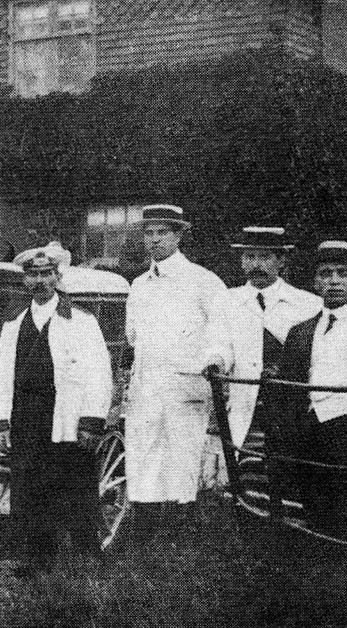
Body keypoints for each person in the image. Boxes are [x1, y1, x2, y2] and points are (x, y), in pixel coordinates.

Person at [0, 245, 113, 556]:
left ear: (58, 277)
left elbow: (99, 375)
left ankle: (87, 556)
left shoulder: (82, 322)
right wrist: (2, 423)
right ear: (25, 281)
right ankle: (36, 561)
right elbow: (2, 378)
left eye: (47, 274)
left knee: (75, 489)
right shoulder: (13, 325)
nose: (40, 281)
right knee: (28, 491)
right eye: (33, 275)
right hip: (27, 420)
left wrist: (90, 423)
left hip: (67, 420)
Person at [124, 203, 227, 528]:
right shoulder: (139, 285)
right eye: (149, 233)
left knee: (182, 455)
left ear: (179, 235)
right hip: (147, 387)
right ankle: (144, 524)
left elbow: (221, 336)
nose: (154, 240)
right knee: (144, 452)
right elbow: (132, 337)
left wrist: (215, 360)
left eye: (162, 233)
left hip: (184, 388)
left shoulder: (203, 282)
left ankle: (179, 527)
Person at [208, 226, 320, 455]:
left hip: (290, 406)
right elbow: (219, 344)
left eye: (264, 257)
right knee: (246, 469)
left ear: (281, 261)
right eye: (250, 256)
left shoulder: (307, 304)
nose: (256, 264)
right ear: (241, 261)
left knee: (288, 468)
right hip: (247, 402)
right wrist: (216, 361)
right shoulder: (226, 301)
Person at [266, 240, 347, 535]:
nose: (335, 281)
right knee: (315, 504)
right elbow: (290, 387)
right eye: (327, 274)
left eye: (344, 273)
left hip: (346, 428)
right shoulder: (301, 330)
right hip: (310, 429)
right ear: (316, 282)